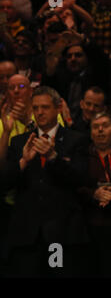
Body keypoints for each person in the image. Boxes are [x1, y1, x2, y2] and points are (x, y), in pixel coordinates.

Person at [0, 86, 90, 277]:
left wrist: (53, 157)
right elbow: (3, 184)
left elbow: (81, 180)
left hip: (62, 233)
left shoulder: (76, 140)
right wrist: (23, 162)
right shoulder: (19, 142)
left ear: (58, 108)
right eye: (36, 107)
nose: (39, 112)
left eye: (45, 107)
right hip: (26, 233)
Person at [79, 112, 111, 276]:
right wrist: (94, 194)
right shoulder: (82, 157)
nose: (100, 130)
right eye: (96, 127)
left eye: (105, 126)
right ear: (90, 133)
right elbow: (74, 186)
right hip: (90, 226)